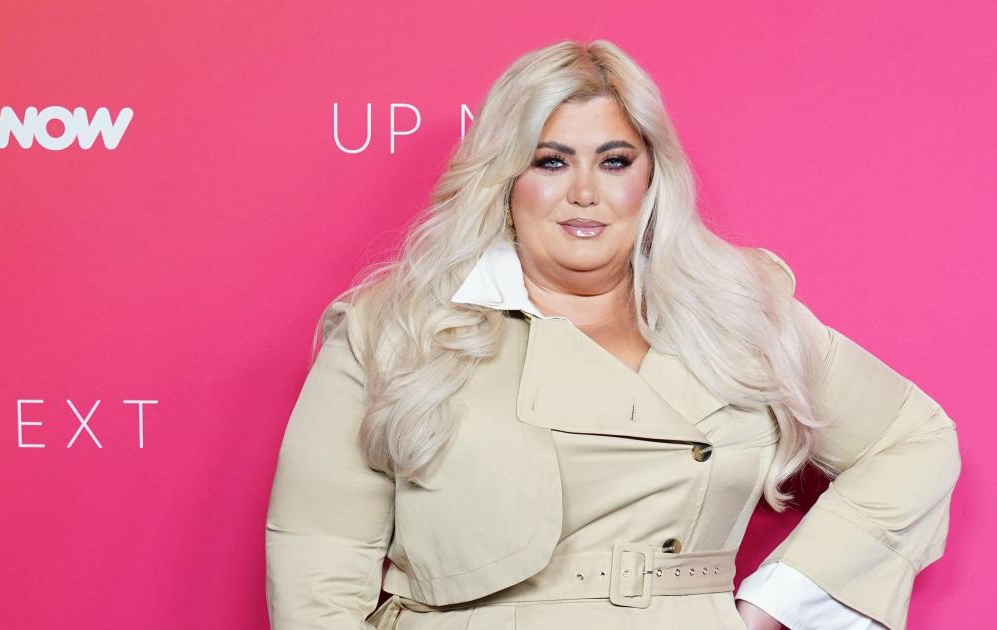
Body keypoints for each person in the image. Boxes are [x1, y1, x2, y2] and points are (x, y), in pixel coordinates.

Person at [264, 39, 961, 630]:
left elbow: (913, 438)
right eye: (551, 161)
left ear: (652, 175)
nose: (585, 193)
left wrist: (773, 604)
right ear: (504, 178)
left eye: (615, 161)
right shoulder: (397, 328)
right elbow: (316, 563)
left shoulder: (741, 314)